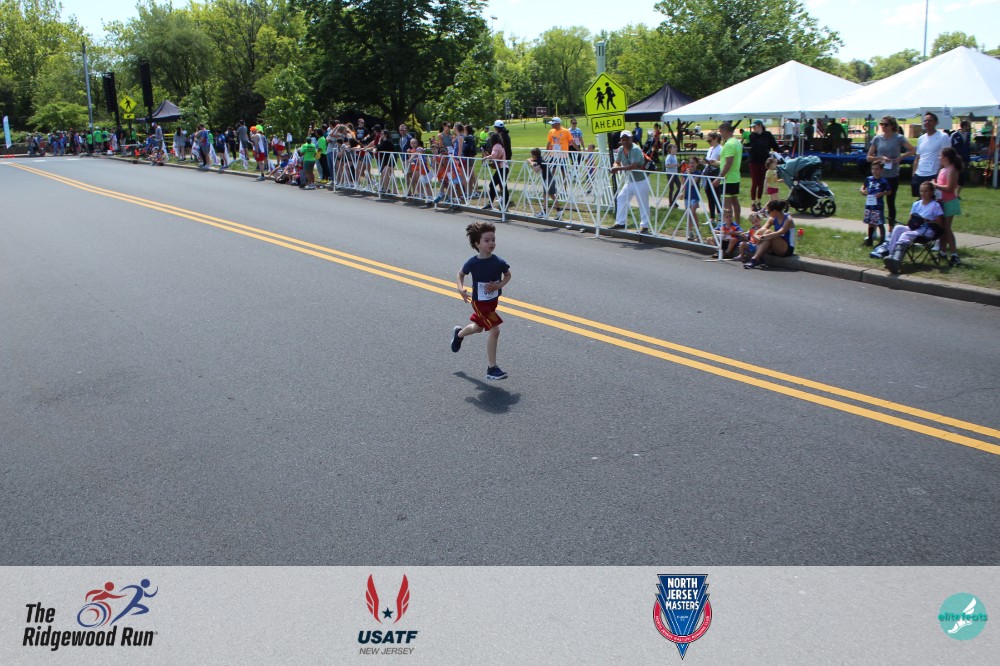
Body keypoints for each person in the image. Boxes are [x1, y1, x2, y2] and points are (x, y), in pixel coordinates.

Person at [451, 221, 512, 381]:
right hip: (480, 303)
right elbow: (460, 274)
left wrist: (499, 285)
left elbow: (508, 275)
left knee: (478, 328)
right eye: (487, 240)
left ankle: (459, 334)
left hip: (492, 302)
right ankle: (492, 368)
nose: (491, 243)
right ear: (477, 244)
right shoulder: (473, 262)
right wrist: (460, 289)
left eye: (493, 240)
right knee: (495, 330)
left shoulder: (498, 262)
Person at [883, 181, 943, 274]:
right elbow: (911, 219)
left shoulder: (935, 205)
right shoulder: (916, 204)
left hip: (927, 230)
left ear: (931, 192)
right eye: (921, 191)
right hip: (915, 227)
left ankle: (897, 260)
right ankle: (891, 255)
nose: (923, 193)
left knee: (906, 234)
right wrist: (915, 221)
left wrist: (926, 220)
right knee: (898, 228)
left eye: (926, 191)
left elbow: (940, 223)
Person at [866, 116, 914, 230]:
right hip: (879, 176)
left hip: (892, 175)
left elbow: (913, 150)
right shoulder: (877, 139)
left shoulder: (898, 138)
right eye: (881, 124)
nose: (883, 126)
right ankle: (874, 227)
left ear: (892, 125)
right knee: (875, 202)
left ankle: (891, 229)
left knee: (890, 202)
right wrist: (880, 158)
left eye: (886, 124)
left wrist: (901, 158)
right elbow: (868, 157)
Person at [609, 130, 651, 233]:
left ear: (631, 139)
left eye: (627, 139)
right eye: (623, 140)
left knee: (643, 202)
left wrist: (618, 169)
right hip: (630, 180)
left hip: (641, 180)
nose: (625, 142)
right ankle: (620, 222)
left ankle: (644, 226)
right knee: (621, 197)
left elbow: (633, 165)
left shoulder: (635, 149)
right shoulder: (621, 149)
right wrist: (615, 166)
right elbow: (617, 162)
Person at [744, 200, 796, 269]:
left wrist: (763, 237)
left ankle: (755, 259)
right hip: (776, 246)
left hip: (786, 249)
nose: (767, 213)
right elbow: (761, 229)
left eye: (768, 212)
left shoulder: (788, 219)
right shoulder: (772, 219)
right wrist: (756, 235)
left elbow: (779, 233)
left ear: (774, 211)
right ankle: (758, 258)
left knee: (768, 232)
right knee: (765, 232)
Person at [933, 147, 963, 266]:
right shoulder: (942, 170)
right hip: (941, 202)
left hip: (949, 202)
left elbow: (950, 188)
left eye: (940, 156)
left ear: (946, 157)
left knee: (947, 228)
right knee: (942, 229)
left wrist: (935, 185)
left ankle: (954, 254)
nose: (939, 157)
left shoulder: (951, 169)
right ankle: (942, 252)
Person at [911, 112, 950, 197]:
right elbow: (917, 158)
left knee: (933, 200)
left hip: (933, 174)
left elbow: (947, 157)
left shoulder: (943, 136)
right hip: (919, 174)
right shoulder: (921, 138)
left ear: (936, 123)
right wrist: (914, 175)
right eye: (925, 121)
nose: (927, 123)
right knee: (921, 201)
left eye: (930, 121)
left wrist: (939, 174)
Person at [747, 119, 779, 211]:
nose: (753, 128)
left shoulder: (768, 134)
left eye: (754, 126)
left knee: (761, 182)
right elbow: (757, 146)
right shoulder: (752, 136)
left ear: (760, 125)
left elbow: (774, 145)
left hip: (764, 162)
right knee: (755, 182)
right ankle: (753, 202)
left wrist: (781, 150)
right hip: (754, 161)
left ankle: (759, 202)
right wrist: (766, 149)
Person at [716, 121, 743, 227]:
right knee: (734, 201)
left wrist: (719, 177)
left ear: (725, 131)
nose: (721, 135)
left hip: (728, 178)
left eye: (721, 132)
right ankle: (737, 224)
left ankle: (728, 226)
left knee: (727, 204)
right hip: (735, 176)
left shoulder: (729, 144)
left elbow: (728, 163)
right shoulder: (736, 142)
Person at [860, 161, 889, 246]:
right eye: (873, 169)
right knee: (870, 223)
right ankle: (870, 240)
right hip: (869, 204)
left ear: (881, 170)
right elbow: (863, 186)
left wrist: (882, 193)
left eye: (877, 169)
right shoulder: (869, 179)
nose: (874, 171)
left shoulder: (883, 181)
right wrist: (862, 190)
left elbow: (889, 191)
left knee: (879, 222)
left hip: (878, 205)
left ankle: (882, 240)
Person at [527, 148, 561, 219]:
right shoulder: (539, 160)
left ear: (535, 155)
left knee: (549, 195)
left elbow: (536, 170)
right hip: (548, 179)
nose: (531, 156)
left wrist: (531, 163)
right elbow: (530, 160)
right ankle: (551, 211)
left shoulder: (540, 161)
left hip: (548, 179)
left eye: (532, 155)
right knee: (548, 195)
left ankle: (553, 211)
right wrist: (531, 161)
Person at [702, 131, 723, 225]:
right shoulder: (710, 149)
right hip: (708, 173)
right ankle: (712, 218)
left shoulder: (720, 149)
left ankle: (720, 218)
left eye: (710, 140)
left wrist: (711, 162)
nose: (709, 142)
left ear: (716, 139)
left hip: (715, 174)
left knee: (716, 196)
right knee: (709, 196)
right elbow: (707, 161)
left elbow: (720, 163)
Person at [951, 119, 972, 185]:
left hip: (966, 156)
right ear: (964, 126)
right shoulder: (955, 135)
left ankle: (961, 184)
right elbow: (953, 146)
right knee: (957, 171)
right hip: (958, 157)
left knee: (964, 171)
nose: (969, 127)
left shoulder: (968, 135)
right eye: (968, 125)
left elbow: (968, 145)